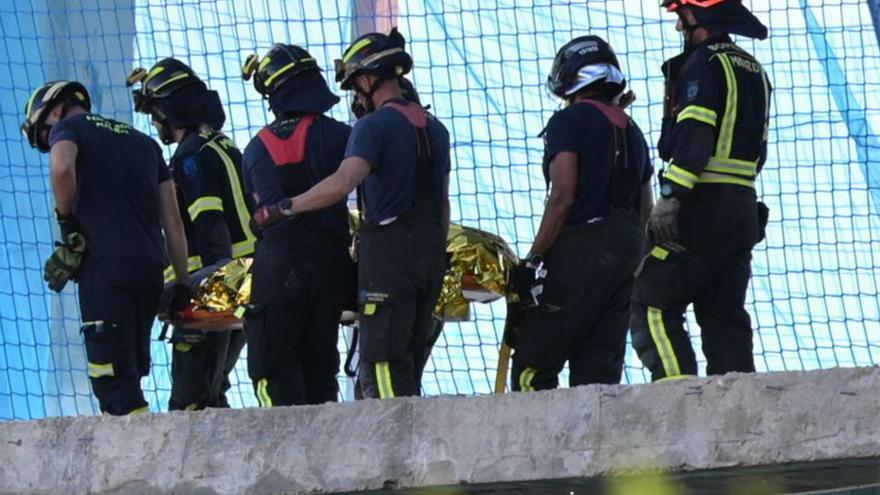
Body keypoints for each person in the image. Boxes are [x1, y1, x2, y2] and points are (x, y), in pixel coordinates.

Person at [252, 28, 451, 399]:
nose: (356, 96)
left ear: (366, 78)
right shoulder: (436, 128)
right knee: (408, 356)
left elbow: (343, 183)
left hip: (388, 253)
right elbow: (443, 204)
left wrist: (284, 207)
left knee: (382, 361)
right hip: (430, 251)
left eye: (355, 86)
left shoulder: (372, 126)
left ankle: (396, 449)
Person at [21, 80, 190, 415]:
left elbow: (62, 166)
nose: (48, 140)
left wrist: (67, 221)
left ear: (56, 110)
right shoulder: (144, 143)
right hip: (150, 271)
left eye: (44, 134)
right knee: (132, 374)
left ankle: (142, 461)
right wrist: (182, 282)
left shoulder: (68, 128)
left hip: (105, 268)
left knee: (113, 383)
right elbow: (173, 222)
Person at [632, 0, 772, 380]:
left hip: (701, 205)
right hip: (743, 209)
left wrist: (671, 197)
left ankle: (680, 402)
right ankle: (739, 412)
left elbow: (695, 139)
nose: (680, 29)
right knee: (724, 314)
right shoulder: (754, 69)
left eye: (682, 18)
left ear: (702, 18)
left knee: (652, 302)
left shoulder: (704, 64)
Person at [508, 36, 654, 392]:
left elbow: (563, 196)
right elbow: (646, 208)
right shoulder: (632, 131)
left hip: (580, 250)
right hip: (627, 253)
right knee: (598, 381)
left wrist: (533, 259)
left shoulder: (569, 122)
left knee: (532, 367)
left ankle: (537, 447)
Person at [128, 58, 254, 410]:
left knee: (190, 400)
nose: (155, 123)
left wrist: (198, 289)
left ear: (171, 107)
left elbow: (209, 221)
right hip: (244, 280)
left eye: (156, 112)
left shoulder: (190, 156)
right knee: (213, 391)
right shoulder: (222, 145)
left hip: (216, 286)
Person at [240, 43, 353, 406]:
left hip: (279, 265)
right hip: (331, 262)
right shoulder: (341, 136)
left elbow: (259, 212)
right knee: (320, 369)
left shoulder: (256, 148)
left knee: (271, 368)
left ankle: (286, 458)